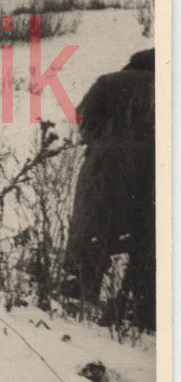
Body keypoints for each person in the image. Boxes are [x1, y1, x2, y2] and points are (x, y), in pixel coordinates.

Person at [63, 48, 155, 329]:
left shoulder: (108, 82)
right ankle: (143, 305)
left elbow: (83, 118)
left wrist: (101, 142)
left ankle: (79, 292)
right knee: (149, 231)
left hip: (106, 165)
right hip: (155, 166)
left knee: (92, 225)